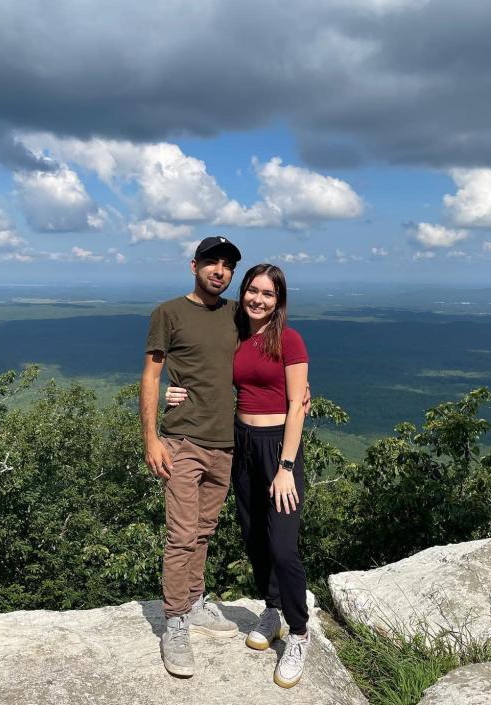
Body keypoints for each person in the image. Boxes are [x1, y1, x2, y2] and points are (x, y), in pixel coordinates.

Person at [166, 263, 311, 689]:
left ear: (279, 300)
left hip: (277, 449)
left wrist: (285, 467)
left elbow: (297, 403)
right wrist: (175, 391)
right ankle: (272, 610)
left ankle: (300, 633)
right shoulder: (239, 334)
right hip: (241, 442)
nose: (258, 299)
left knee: (283, 546)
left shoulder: (289, 338)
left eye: (268, 294)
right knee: (253, 537)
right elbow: (205, 372)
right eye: (252, 290)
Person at [140, 236, 242, 678]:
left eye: (227, 265)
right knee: (181, 535)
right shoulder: (169, 312)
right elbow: (151, 374)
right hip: (182, 440)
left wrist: (302, 387)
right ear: (193, 266)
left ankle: (196, 601)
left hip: (226, 443)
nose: (219, 271)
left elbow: (269, 353)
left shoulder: (238, 313)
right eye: (211, 263)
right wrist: (151, 438)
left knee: (204, 530)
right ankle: (174, 622)